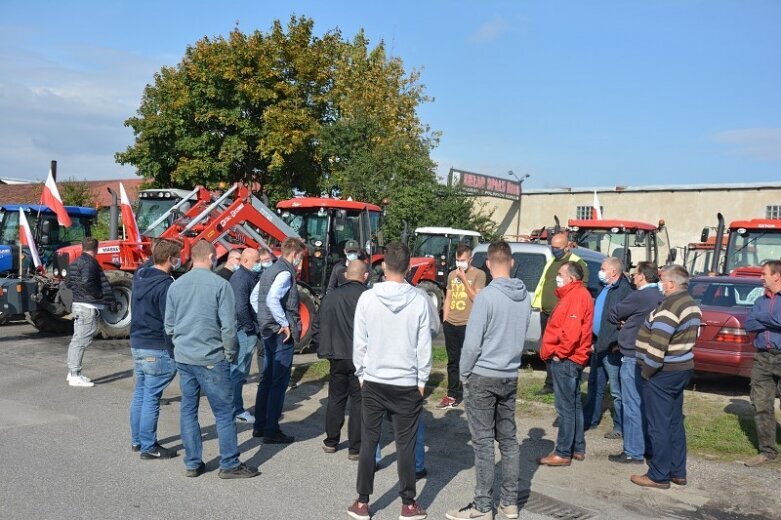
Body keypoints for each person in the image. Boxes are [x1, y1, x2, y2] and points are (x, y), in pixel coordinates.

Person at [446, 240, 531, 520]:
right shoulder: (524, 296)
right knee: (508, 440)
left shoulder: (486, 297)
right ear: (512, 262)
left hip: (484, 374)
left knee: (483, 442)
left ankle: (483, 505)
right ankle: (509, 503)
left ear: (489, 264)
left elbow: (471, 345)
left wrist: (464, 373)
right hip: (509, 373)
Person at [347, 243, 431, 520]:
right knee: (405, 445)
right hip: (406, 382)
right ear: (408, 267)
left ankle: (362, 502)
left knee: (370, 441)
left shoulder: (368, 298)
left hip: (374, 380)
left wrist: (361, 374)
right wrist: (422, 380)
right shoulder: (419, 299)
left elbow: (360, 342)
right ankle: (408, 504)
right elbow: (424, 346)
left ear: (383, 266)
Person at [164, 240, 258, 479]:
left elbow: (169, 325)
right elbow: (228, 327)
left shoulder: (176, 285)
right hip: (211, 358)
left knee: (188, 410)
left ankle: (193, 463)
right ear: (211, 257)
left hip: (185, 357)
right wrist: (229, 354)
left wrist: (181, 345)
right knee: (224, 412)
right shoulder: (220, 285)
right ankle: (229, 463)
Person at [632, 265, 701, 489]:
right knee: (673, 422)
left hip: (663, 372)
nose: (660, 284)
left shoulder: (669, 307)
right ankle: (677, 471)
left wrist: (647, 371)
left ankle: (658, 475)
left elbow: (657, 345)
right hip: (681, 369)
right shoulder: (691, 304)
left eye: (662, 281)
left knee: (658, 424)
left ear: (671, 284)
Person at [129, 238, 182, 459]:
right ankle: (149, 447)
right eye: (178, 256)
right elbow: (169, 321)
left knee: (141, 393)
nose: (180, 260)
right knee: (151, 396)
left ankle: (137, 440)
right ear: (171, 259)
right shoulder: (166, 286)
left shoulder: (140, 277)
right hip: (156, 346)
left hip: (138, 343)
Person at [538, 261, 594, 467]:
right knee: (574, 403)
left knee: (566, 408)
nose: (557, 277)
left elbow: (571, 333)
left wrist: (559, 354)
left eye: (560, 274)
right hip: (571, 358)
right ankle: (577, 446)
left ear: (571, 278)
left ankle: (563, 452)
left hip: (568, 359)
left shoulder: (577, 296)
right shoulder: (574, 295)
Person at [607, 261, 663, 464]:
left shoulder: (641, 295)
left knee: (631, 403)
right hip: (649, 354)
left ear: (642, 276)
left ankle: (633, 451)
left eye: (635, 273)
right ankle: (645, 446)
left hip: (632, 354)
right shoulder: (659, 296)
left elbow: (613, 313)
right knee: (644, 403)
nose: (632, 276)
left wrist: (625, 323)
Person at [252, 237, 307, 444]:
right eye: (300, 256)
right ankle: (271, 429)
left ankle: (260, 425)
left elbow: (255, 297)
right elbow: (272, 298)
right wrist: (283, 323)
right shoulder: (285, 272)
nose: (300, 260)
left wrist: (263, 318)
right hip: (280, 334)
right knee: (278, 382)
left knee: (267, 378)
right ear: (295, 254)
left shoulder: (270, 270)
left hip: (267, 331)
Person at [313, 260, 369, 459]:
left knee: (336, 398)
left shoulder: (331, 297)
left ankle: (331, 441)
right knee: (358, 401)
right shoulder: (368, 297)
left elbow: (317, 326)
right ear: (365, 276)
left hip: (335, 355)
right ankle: (355, 447)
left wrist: (324, 349)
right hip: (360, 357)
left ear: (346, 275)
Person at [531, 233, 590, 395]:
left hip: (563, 316)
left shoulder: (577, 264)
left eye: (557, 247)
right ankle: (550, 383)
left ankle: (560, 384)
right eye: (552, 246)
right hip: (547, 313)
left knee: (561, 350)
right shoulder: (552, 261)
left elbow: (578, 290)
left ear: (567, 246)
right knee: (547, 349)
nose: (553, 249)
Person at [583, 257, 632, 438]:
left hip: (612, 348)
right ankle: (590, 419)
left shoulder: (625, 291)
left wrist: (619, 343)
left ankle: (620, 426)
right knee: (595, 385)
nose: (600, 272)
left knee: (617, 391)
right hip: (598, 344)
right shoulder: (605, 287)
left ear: (613, 272)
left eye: (603, 269)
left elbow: (628, 321)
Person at [438, 243, 486, 409]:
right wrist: (445, 319)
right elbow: (448, 297)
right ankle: (451, 395)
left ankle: (472, 394)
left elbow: (477, 298)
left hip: (468, 324)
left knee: (470, 361)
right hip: (451, 323)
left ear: (470, 259)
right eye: (458, 260)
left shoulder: (479, 274)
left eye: (463, 260)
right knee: (453, 361)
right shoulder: (452, 274)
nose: (460, 263)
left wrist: (464, 279)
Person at [65, 237, 117, 388]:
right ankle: (75, 374)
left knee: (77, 339)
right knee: (81, 340)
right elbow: (88, 282)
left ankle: (73, 372)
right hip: (87, 306)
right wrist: (99, 295)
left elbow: (68, 282)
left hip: (78, 304)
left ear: (82, 247)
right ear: (97, 248)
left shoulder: (75, 262)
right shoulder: (90, 263)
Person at [743, 260, 781, 467]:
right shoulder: (760, 300)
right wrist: (771, 318)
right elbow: (749, 322)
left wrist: (763, 318)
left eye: (764, 273)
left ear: (777, 275)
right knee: (761, 404)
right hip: (763, 357)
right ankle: (767, 451)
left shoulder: (762, 307)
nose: (760, 277)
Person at [229, 248, 262, 424]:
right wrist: (251, 328)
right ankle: (236, 410)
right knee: (239, 371)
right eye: (257, 261)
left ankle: (233, 408)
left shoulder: (246, 276)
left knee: (238, 370)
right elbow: (240, 307)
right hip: (244, 330)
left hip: (245, 329)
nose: (260, 264)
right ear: (247, 261)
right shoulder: (242, 278)